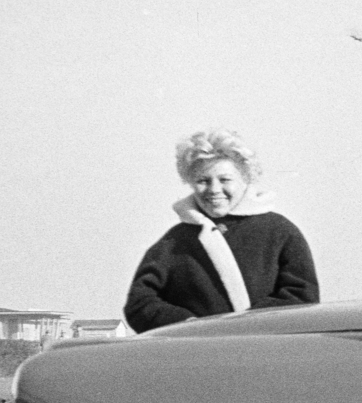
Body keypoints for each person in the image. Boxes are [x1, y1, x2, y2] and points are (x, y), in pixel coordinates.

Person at [124, 129, 319, 333]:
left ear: (245, 179)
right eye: (203, 181)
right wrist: (188, 325)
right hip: (195, 357)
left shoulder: (281, 232)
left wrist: (247, 326)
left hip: (266, 353)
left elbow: (302, 296)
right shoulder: (174, 241)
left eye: (225, 179)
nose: (214, 189)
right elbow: (139, 303)